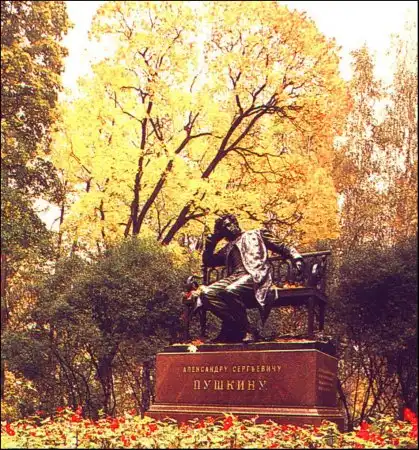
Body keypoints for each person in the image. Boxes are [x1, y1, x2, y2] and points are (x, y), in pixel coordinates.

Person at [199, 214, 303, 343]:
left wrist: (296, 257)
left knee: (230, 291)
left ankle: (247, 330)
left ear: (236, 223)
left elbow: (281, 246)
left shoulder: (257, 234)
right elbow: (208, 261)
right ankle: (238, 327)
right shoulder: (228, 248)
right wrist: (211, 243)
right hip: (234, 277)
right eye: (225, 228)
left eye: (230, 224)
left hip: (254, 275)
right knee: (206, 293)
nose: (230, 228)